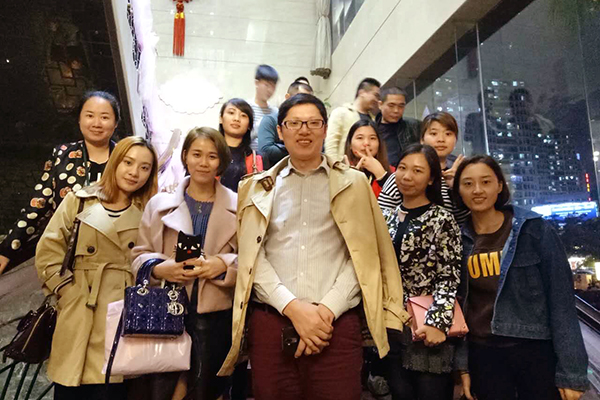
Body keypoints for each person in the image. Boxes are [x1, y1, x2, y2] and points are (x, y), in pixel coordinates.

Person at [218, 94, 411, 400]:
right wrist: (293, 309)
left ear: (325, 129)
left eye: (313, 123)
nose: (304, 130)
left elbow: (363, 255)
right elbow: (253, 257)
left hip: (336, 326)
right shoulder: (254, 188)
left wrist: (326, 311)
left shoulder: (355, 184)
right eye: (294, 123)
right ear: (280, 131)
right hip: (272, 322)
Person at [453, 155, 588, 400]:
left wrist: (572, 372)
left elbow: (561, 301)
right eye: (468, 184)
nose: (477, 190)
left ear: (499, 186)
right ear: (459, 191)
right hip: (484, 352)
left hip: (534, 349)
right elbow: (461, 306)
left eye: (486, 182)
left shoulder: (533, 229)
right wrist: (463, 366)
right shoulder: (457, 240)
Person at [35, 136, 158, 400]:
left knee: (111, 389)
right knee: (70, 388)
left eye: (144, 167)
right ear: (115, 162)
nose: (134, 172)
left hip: (122, 311)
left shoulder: (149, 211)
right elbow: (49, 250)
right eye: (128, 162)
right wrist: (66, 291)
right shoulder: (79, 200)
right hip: (80, 307)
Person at [132, 127, 238, 400]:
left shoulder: (240, 207)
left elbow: (252, 259)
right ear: (186, 156)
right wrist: (159, 268)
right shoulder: (159, 204)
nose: (203, 163)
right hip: (165, 309)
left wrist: (223, 264)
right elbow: (138, 255)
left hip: (216, 314)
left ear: (221, 161)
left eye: (212, 156)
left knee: (207, 389)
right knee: (164, 388)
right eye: (197, 154)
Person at [0, 91, 121, 274]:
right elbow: (38, 204)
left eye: (104, 117)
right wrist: (7, 249)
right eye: (89, 116)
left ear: (115, 122)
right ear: (79, 119)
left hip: (114, 254)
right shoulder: (62, 155)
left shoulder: (126, 158)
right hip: (68, 255)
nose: (96, 123)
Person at [381, 143, 462, 400]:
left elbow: (449, 276)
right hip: (392, 324)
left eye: (417, 171)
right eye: (402, 168)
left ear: (431, 179)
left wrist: (436, 322)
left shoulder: (442, 218)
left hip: (427, 328)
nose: (407, 176)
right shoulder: (386, 217)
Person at [379, 112, 470, 226]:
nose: (441, 139)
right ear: (422, 139)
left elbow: (465, 223)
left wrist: (455, 188)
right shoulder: (403, 175)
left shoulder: (460, 175)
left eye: (448, 134)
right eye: (434, 133)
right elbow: (379, 218)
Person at [257, 81, 313, 169]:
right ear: (287, 97)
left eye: (310, 102)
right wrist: (300, 149)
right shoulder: (271, 120)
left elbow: (320, 148)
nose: (305, 105)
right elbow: (266, 150)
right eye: (301, 100)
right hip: (276, 173)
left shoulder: (313, 123)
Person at [324, 78, 381, 159]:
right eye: (375, 95)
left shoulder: (373, 120)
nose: (377, 100)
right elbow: (331, 145)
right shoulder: (341, 113)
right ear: (362, 92)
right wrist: (334, 165)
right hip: (343, 165)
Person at [218, 98, 263, 192]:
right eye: (231, 113)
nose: (236, 119)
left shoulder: (257, 158)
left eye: (243, 115)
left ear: (249, 125)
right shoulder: (209, 153)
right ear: (221, 119)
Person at [343, 119, 392, 198]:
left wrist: (381, 175)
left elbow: (398, 201)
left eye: (372, 138)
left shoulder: (393, 172)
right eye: (360, 138)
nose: (366, 143)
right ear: (350, 145)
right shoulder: (339, 172)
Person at [376, 87, 421, 167]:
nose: (396, 110)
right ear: (380, 105)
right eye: (391, 106)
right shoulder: (372, 129)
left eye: (401, 106)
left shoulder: (414, 126)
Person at [249, 64, 279, 150]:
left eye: (273, 86)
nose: (270, 90)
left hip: (269, 157)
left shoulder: (275, 112)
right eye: (267, 85)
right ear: (257, 83)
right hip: (248, 156)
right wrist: (263, 124)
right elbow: (242, 138)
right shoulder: (246, 107)